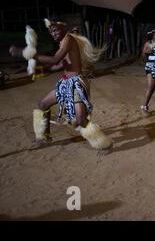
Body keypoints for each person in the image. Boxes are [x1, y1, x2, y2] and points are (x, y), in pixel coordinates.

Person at [9, 18, 112, 152]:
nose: (54, 33)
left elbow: (54, 59)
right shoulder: (62, 43)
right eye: (51, 31)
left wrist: (24, 53)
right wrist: (39, 70)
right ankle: (44, 136)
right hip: (65, 83)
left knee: (80, 119)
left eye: (56, 29)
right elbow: (56, 65)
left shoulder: (68, 39)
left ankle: (104, 144)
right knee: (42, 105)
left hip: (76, 84)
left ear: (64, 28)